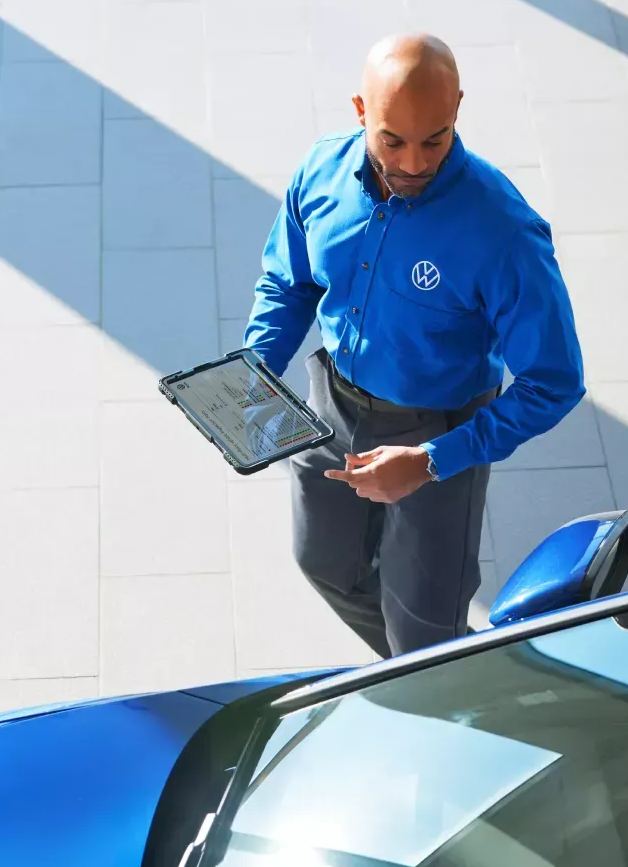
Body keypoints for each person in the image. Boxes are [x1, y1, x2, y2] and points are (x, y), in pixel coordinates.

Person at [244, 34, 586, 658]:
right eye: (391, 140)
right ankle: (443, 672)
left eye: (435, 138)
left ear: (458, 106)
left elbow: (554, 382)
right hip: (331, 410)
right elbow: (288, 282)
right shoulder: (319, 171)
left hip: (438, 431)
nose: (413, 163)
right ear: (359, 111)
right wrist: (254, 371)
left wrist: (432, 460)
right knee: (322, 563)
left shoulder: (502, 231)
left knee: (421, 626)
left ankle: (440, 674)